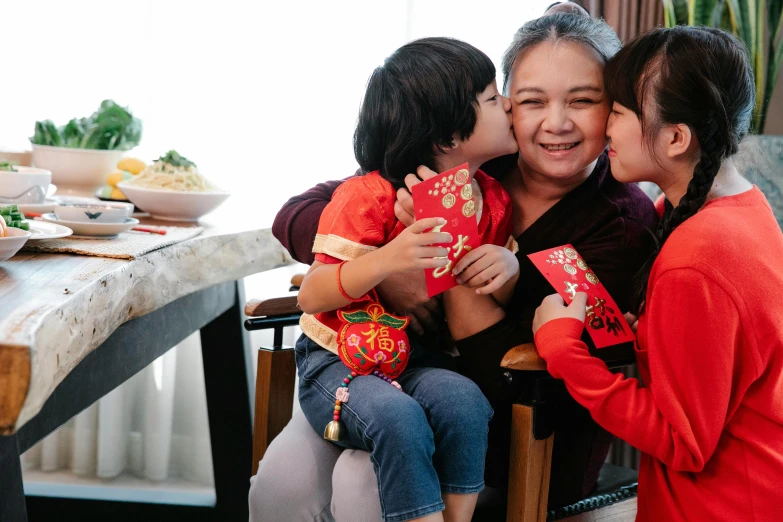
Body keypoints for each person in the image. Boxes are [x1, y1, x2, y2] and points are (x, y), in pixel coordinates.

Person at [252, 7, 658, 521]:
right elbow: (301, 212)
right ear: (506, 104)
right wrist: (387, 262)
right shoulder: (475, 154)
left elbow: (570, 372)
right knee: (282, 481)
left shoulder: (622, 221)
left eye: (583, 100)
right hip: (383, 378)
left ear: (615, 106)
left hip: (520, 433)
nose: (557, 123)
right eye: (531, 101)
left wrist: (462, 282)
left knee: (362, 477)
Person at [532, 26, 783, 521]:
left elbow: (681, 440)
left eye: (620, 113)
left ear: (674, 137)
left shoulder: (697, 256)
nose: (606, 127)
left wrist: (563, 349)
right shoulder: (743, 206)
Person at [294, 36, 521, 522]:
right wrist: (387, 259)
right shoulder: (367, 196)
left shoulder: (494, 201)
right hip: (339, 360)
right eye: (490, 97)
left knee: (464, 403)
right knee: (399, 420)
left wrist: (508, 269)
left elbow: (492, 292)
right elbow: (312, 294)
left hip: (416, 360)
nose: (509, 103)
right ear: (446, 140)